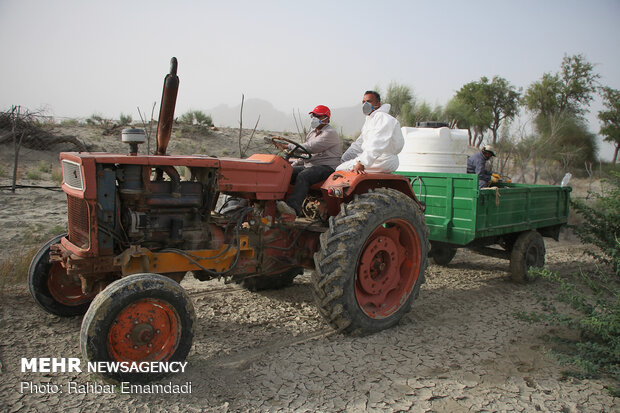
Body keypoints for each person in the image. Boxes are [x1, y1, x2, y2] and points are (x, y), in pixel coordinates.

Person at [276, 105, 341, 216]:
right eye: (313, 115)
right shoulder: (312, 133)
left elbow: (310, 147)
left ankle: (292, 209)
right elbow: (306, 154)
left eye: (319, 116)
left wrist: (288, 146)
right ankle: (276, 203)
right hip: (311, 165)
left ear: (327, 118)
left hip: (327, 167)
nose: (315, 118)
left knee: (304, 175)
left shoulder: (330, 133)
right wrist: (292, 165)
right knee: (286, 172)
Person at [336, 90, 404, 174]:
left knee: (340, 170)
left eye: (369, 101)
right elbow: (360, 144)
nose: (365, 104)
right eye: (363, 102)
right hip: (374, 159)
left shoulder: (382, 118)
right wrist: (345, 158)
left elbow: (377, 144)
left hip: (382, 160)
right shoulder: (370, 120)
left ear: (378, 104)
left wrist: (362, 162)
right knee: (342, 166)